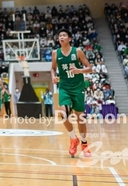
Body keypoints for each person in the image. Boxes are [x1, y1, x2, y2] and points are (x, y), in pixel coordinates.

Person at [51, 28, 93, 159]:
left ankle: (84, 144)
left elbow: (90, 68)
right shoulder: (55, 53)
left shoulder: (77, 51)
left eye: (64, 35)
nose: (61, 37)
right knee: (63, 113)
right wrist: (53, 76)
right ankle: (73, 139)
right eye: (60, 36)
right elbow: (53, 68)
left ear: (69, 39)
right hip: (64, 87)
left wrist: (79, 70)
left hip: (78, 87)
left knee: (80, 118)